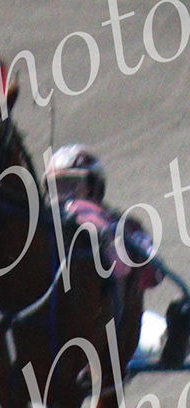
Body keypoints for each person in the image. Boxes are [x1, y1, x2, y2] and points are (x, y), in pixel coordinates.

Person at [47, 145, 190, 361]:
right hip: (50, 323)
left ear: (94, 186)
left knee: (155, 327)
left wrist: (117, 246)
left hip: (115, 326)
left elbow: (154, 273)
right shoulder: (38, 230)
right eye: (56, 187)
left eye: (71, 184)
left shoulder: (122, 225)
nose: (64, 194)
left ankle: (169, 340)